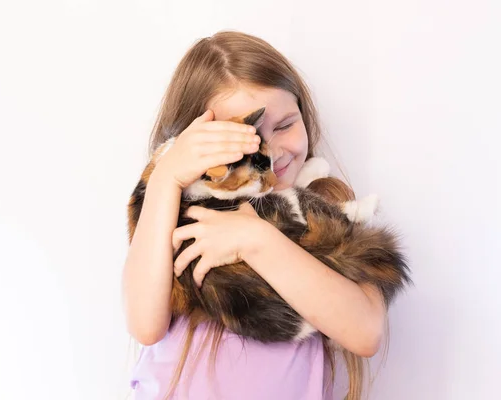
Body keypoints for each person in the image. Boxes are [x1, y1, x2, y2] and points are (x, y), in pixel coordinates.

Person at [122, 31, 386, 400]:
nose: (271, 150)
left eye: (284, 125)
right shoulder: (178, 211)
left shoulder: (329, 210)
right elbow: (145, 325)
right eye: (239, 137)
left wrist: (255, 239)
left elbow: (366, 331)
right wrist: (167, 176)